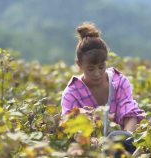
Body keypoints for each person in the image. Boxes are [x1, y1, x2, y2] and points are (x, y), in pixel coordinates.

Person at [61, 22, 145, 157]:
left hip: (121, 150)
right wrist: (91, 141)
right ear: (79, 65)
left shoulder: (119, 83)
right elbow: (70, 129)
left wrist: (123, 139)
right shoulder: (72, 93)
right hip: (89, 151)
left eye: (101, 66)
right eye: (90, 69)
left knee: (116, 136)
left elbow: (130, 116)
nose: (97, 73)